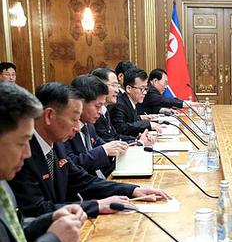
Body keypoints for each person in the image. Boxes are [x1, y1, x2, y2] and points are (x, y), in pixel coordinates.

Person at [8, 82, 168, 218]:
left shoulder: (55, 143)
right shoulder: (20, 154)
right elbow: (37, 211)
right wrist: (95, 206)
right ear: (49, 115)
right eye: (74, 119)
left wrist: (133, 190)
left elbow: (81, 180)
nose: (78, 128)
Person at [0, 81, 86, 242]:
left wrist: (50, 219)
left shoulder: (3, 182)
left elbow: (13, 235)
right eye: (20, 142)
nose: (28, 153)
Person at [65, 74, 128, 177]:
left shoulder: (89, 125)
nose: (101, 111)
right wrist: (104, 150)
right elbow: (71, 166)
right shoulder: (66, 129)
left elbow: (101, 144)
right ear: (80, 103)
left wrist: (121, 147)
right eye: (98, 106)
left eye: (103, 105)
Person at [90, 67, 153, 145]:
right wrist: (139, 142)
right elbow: (108, 141)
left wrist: (136, 139)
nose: (117, 90)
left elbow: (114, 136)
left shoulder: (105, 110)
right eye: (113, 85)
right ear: (99, 87)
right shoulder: (97, 112)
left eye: (117, 86)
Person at [109, 68, 162, 137]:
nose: (145, 92)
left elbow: (132, 123)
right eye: (142, 89)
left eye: (146, 88)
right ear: (129, 89)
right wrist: (148, 125)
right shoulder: (119, 105)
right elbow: (121, 128)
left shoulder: (130, 102)